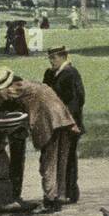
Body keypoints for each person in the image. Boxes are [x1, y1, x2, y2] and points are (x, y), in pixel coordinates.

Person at [0, 67, 80, 213]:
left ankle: (50, 200)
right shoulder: (31, 84)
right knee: (60, 161)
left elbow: (0, 99)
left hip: (50, 121)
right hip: (63, 119)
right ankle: (59, 197)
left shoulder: (15, 88)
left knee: (48, 162)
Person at [42, 46, 86, 204]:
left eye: (54, 58)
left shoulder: (71, 73)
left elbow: (78, 100)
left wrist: (68, 120)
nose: (51, 61)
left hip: (69, 123)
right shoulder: (49, 73)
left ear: (63, 57)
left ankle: (68, 192)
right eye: (50, 58)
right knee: (55, 158)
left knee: (68, 158)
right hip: (53, 122)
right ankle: (56, 191)